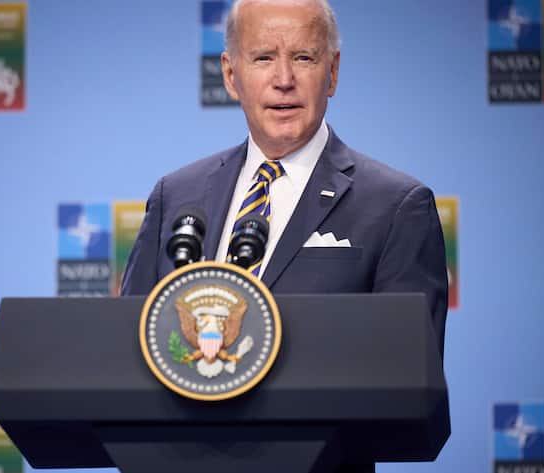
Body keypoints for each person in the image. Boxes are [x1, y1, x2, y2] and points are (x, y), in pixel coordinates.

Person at [122, 1, 447, 467]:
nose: (283, 79)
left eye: (303, 57)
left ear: (332, 73)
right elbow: (128, 355)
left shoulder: (396, 206)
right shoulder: (176, 195)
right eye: (262, 58)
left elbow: (412, 385)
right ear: (231, 75)